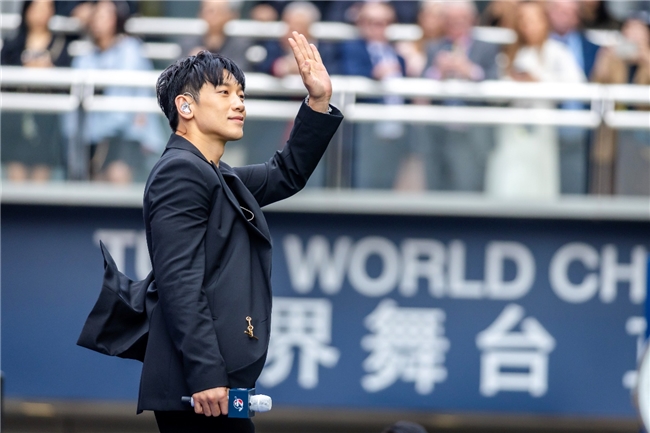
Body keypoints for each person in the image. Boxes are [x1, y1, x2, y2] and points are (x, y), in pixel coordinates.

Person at [141, 33, 342, 432]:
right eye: (224, 93)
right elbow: (180, 281)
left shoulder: (217, 175)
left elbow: (286, 173)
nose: (239, 104)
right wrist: (205, 374)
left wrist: (318, 101)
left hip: (214, 386)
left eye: (242, 95)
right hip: (200, 390)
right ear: (185, 106)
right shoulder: (181, 171)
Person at [485, 1, 586, 199]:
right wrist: (514, 83)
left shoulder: (557, 52)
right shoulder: (509, 52)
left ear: (544, 22)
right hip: (512, 129)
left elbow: (578, 86)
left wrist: (538, 81)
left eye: (533, 20)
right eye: (523, 20)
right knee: (509, 181)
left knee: (539, 183)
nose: (528, 26)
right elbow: (495, 95)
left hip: (542, 127)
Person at [63, 0, 165, 184]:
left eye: (104, 15)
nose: (98, 20)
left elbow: (123, 109)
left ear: (117, 19)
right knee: (95, 184)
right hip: (93, 135)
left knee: (118, 177)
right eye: (96, 15)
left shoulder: (130, 50)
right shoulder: (86, 56)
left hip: (127, 133)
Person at [421, 0, 500, 192]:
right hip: (440, 129)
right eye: (451, 20)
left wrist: (469, 70)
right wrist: (438, 71)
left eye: (461, 19)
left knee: (470, 187)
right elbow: (421, 85)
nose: (456, 24)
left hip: (473, 130)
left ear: (473, 20)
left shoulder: (486, 47)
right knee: (437, 187)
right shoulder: (434, 47)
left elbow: (494, 81)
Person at [339, 2, 409, 189]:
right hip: (365, 127)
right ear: (361, 23)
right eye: (372, 22)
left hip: (395, 128)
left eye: (383, 22)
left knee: (388, 179)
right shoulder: (352, 48)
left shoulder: (398, 55)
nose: (378, 27)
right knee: (362, 180)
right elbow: (348, 74)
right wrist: (374, 74)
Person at [1, 0, 71, 182]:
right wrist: (24, 69)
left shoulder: (60, 45)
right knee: (15, 182)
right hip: (15, 121)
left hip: (47, 124)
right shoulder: (13, 45)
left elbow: (68, 83)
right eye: (37, 7)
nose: (41, 13)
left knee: (41, 182)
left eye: (46, 7)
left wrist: (50, 70)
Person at [590, 13, 650, 195]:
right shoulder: (612, 59)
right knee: (609, 187)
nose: (633, 35)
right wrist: (605, 59)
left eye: (639, 31)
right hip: (614, 137)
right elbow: (596, 87)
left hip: (643, 139)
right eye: (629, 29)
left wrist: (646, 59)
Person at [179, 0, 254, 72]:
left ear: (230, 15)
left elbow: (239, 71)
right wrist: (190, 63)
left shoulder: (240, 44)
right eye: (208, 10)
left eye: (220, 11)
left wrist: (204, 63)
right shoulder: (188, 43)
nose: (213, 15)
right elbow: (178, 71)